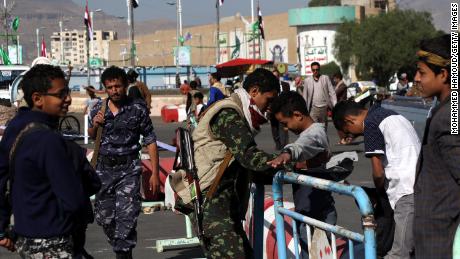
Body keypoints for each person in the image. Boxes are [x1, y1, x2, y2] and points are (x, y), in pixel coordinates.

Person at [0, 64, 88, 257]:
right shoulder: (49, 140)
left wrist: (2, 226)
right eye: (61, 94)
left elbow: (2, 175)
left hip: (25, 235)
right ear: (37, 99)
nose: (68, 99)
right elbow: (72, 198)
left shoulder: (15, 127)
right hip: (54, 238)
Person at [191, 68, 279, 258]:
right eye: (269, 100)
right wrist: (294, 164)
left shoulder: (236, 112)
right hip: (212, 204)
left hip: (221, 204)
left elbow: (248, 166)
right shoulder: (229, 114)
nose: (269, 108)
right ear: (254, 91)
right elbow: (251, 157)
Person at [88, 66, 160, 259]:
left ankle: (123, 252)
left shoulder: (137, 108)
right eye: (110, 87)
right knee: (104, 217)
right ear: (105, 88)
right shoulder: (97, 108)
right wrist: (95, 124)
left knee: (126, 217)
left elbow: (150, 139)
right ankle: (122, 248)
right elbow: (91, 135)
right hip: (104, 170)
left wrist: (154, 172)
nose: (114, 90)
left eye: (118, 86)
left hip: (129, 170)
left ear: (125, 85)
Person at [332, 100, 420, 258]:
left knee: (399, 253)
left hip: (406, 190)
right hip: (419, 183)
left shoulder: (371, 124)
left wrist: (378, 193)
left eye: (349, 132)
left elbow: (378, 173)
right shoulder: (393, 115)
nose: (352, 135)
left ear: (349, 121)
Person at [267, 91, 336, 259]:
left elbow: (302, 146)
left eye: (285, 122)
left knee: (316, 252)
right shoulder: (314, 132)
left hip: (316, 212)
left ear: (297, 115)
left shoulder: (314, 134)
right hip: (310, 208)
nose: (285, 128)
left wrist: (288, 153)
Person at [413, 34, 459, 258]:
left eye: (422, 72)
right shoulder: (445, 110)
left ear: (443, 74)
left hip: (442, 237)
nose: (416, 78)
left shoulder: (450, 116)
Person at [303, 62, 337, 128]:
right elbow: (305, 96)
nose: (315, 71)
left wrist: (334, 104)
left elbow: (332, 92)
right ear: (311, 70)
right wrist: (304, 109)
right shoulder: (307, 80)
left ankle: (322, 138)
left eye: (317, 69)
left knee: (323, 128)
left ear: (319, 69)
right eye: (313, 70)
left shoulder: (325, 78)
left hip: (324, 108)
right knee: (313, 128)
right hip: (313, 109)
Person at [270, 69, 290, 150]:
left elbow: (288, 97)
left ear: (279, 76)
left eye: (276, 76)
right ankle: (278, 143)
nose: (275, 77)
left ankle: (284, 145)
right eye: (273, 76)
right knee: (274, 130)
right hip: (273, 111)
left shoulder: (285, 85)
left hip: (283, 110)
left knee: (283, 129)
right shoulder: (269, 87)